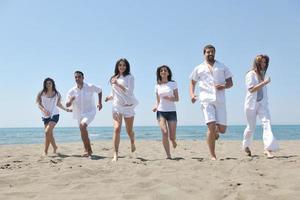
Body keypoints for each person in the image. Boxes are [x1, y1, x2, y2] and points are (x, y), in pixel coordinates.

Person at [189, 44, 233, 160]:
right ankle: (213, 155)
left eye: (212, 52)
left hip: (220, 100)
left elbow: (230, 83)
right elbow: (192, 82)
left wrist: (223, 86)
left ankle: (215, 133)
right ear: (204, 53)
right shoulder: (198, 68)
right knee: (211, 127)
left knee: (222, 130)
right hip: (206, 100)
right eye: (208, 52)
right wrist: (192, 94)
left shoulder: (222, 66)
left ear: (215, 53)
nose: (210, 54)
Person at [242, 54, 279, 158]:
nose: (263, 64)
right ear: (257, 63)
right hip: (251, 105)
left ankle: (268, 149)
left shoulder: (263, 74)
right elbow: (251, 89)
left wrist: (264, 81)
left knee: (267, 124)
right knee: (251, 127)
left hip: (262, 104)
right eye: (261, 62)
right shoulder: (250, 74)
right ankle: (246, 145)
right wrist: (265, 82)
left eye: (265, 62)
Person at [105, 58, 138, 162]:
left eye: (124, 65)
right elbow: (114, 93)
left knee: (129, 131)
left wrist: (118, 84)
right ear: (117, 66)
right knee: (116, 128)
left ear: (126, 66)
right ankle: (115, 154)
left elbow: (129, 92)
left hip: (128, 106)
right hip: (117, 106)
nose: (122, 67)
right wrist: (108, 97)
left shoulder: (130, 77)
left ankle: (132, 141)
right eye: (120, 65)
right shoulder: (113, 78)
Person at [66, 71, 103, 157]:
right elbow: (67, 105)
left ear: (83, 78)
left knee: (83, 126)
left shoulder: (90, 86)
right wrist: (71, 100)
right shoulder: (72, 91)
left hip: (90, 112)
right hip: (79, 114)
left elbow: (100, 91)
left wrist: (100, 103)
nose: (77, 79)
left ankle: (89, 150)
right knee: (82, 130)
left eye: (79, 77)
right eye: (75, 77)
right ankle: (87, 149)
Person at [36, 77, 71, 156]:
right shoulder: (41, 93)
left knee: (47, 131)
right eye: (47, 83)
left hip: (55, 114)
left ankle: (45, 151)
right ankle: (55, 147)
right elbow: (39, 104)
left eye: (50, 83)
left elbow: (58, 104)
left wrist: (66, 109)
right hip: (45, 115)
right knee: (49, 133)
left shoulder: (57, 94)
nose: (48, 85)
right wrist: (44, 110)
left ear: (52, 84)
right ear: (44, 84)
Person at [152, 65, 179, 159]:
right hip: (161, 111)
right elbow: (158, 100)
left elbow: (177, 98)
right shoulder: (157, 86)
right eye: (161, 71)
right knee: (164, 132)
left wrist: (171, 98)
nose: (163, 72)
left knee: (171, 136)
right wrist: (155, 106)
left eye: (165, 70)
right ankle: (168, 155)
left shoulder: (173, 83)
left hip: (171, 112)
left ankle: (173, 140)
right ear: (159, 73)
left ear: (168, 73)